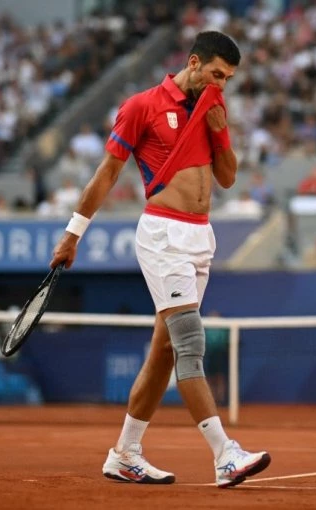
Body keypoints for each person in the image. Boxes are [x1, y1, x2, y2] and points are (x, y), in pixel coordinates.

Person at [49, 31, 270, 488]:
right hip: (163, 234)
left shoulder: (213, 107)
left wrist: (218, 128)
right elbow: (107, 172)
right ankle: (225, 454)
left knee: (165, 351)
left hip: (201, 237)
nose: (222, 84)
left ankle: (125, 453)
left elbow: (226, 177)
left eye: (228, 78)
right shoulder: (142, 106)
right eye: (216, 74)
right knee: (190, 342)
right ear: (193, 62)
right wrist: (73, 234)